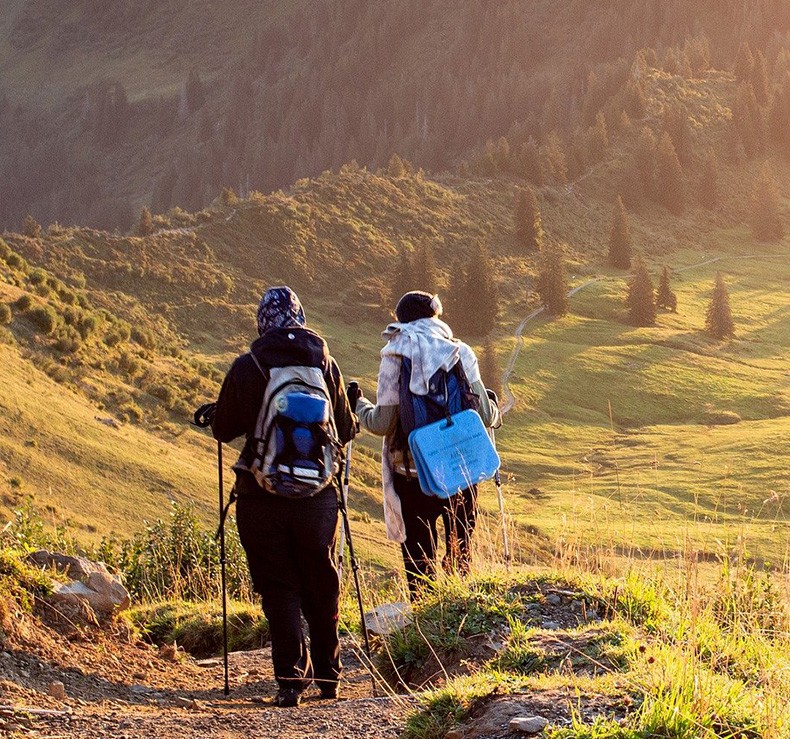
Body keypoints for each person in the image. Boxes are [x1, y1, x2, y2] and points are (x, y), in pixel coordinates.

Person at [211, 286, 355, 708]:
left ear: (263, 322)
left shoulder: (249, 365)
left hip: (260, 496)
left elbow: (223, 429)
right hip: (318, 498)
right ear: (300, 318)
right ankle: (330, 676)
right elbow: (346, 429)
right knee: (321, 583)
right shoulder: (326, 364)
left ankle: (291, 681)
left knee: (279, 586)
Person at [352, 290, 500, 598]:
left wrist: (359, 405)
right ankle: (461, 615)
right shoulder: (460, 351)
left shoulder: (394, 354)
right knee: (460, 555)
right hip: (460, 471)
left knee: (420, 565)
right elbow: (485, 416)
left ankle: (424, 616)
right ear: (435, 316)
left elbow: (382, 423)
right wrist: (494, 407)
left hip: (412, 473)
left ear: (401, 321)